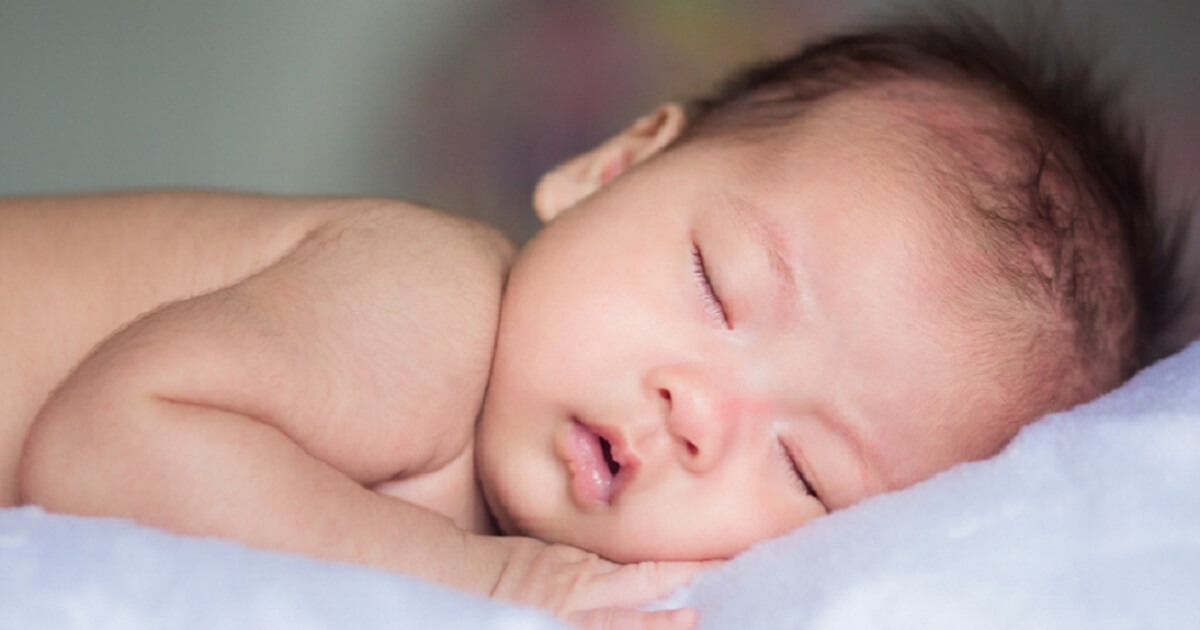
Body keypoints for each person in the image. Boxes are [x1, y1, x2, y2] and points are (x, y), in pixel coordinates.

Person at [5, 8, 1186, 630]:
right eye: (720, 286)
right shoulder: (429, 297)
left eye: (806, 470)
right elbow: (105, 444)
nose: (699, 414)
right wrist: (502, 589)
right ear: (608, 168)